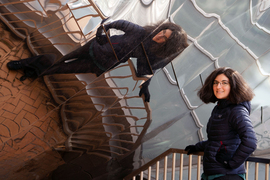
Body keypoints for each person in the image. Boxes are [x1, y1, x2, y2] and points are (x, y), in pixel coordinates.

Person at [7, 19, 189, 102]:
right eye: (162, 31)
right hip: (93, 47)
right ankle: (28, 64)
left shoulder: (150, 54)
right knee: (59, 60)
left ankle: (34, 69)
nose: (159, 36)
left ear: (167, 46)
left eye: (164, 38)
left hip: (100, 64)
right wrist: (102, 32)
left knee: (59, 69)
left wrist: (145, 86)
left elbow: (146, 69)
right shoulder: (141, 32)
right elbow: (117, 23)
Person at [185, 67, 257, 180]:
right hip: (213, 173)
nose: (218, 87)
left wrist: (231, 163)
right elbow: (218, 141)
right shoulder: (219, 108)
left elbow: (250, 141)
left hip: (228, 175)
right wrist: (197, 147)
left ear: (233, 86)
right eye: (215, 83)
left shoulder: (237, 111)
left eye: (224, 83)